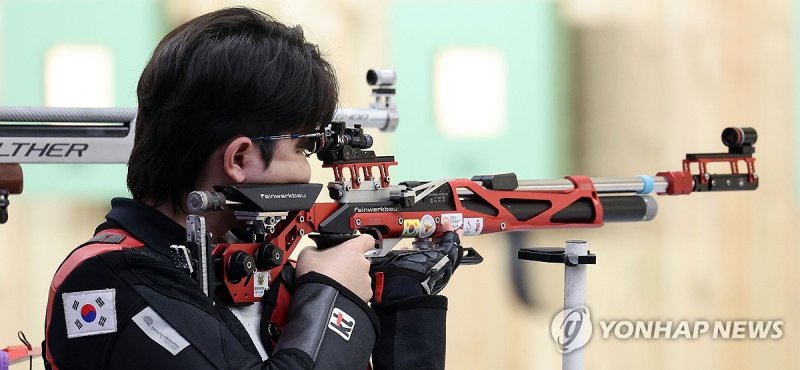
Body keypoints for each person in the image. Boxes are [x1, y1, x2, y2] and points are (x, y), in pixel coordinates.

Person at [43, 7, 462, 370]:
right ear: (240, 158)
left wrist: (407, 304)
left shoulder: (245, 270)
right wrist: (333, 298)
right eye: (302, 148)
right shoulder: (105, 281)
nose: (306, 172)